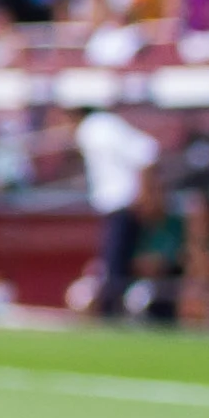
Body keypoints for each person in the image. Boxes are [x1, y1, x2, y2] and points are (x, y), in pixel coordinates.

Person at [76, 106, 161, 321]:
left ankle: (111, 312)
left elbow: (145, 150)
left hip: (123, 203)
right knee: (117, 262)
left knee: (117, 263)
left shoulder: (96, 128)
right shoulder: (101, 126)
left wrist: (145, 192)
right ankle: (114, 310)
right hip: (120, 203)